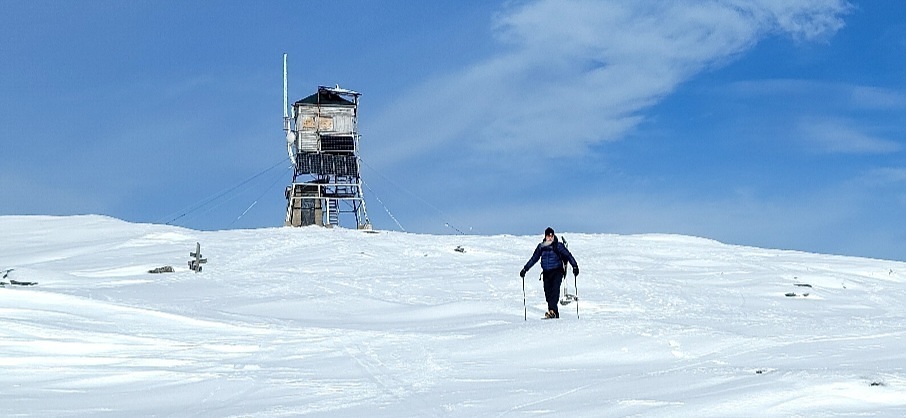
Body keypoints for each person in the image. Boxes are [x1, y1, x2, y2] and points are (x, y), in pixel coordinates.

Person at [520, 227, 579, 318]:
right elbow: (534, 258)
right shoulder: (541, 247)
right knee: (548, 293)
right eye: (548, 235)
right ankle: (554, 313)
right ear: (545, 236)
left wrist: (575, 266)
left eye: (552, 235)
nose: (550, 237)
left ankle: (552, 312)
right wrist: (525, 269)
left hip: (557, 271)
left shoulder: (558, 245)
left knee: (555, 291)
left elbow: (568, 255)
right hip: (546, 273)